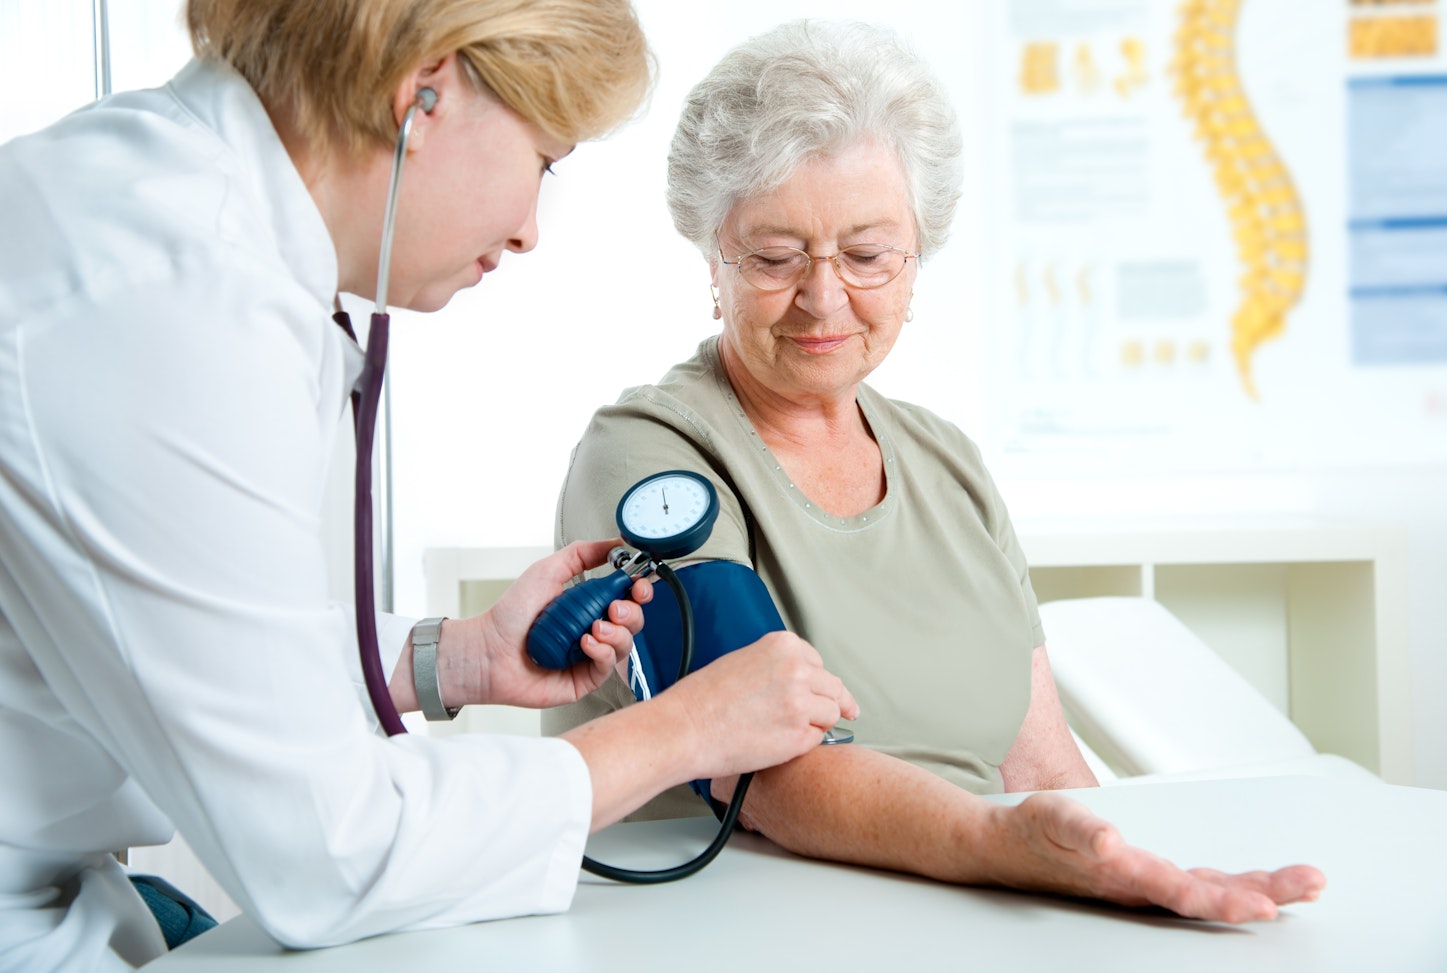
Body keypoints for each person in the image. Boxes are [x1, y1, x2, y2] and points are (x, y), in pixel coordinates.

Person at [0, 2, 858, 969]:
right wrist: (682, 732)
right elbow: (330, 854)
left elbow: (181, 635)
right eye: (545, 159)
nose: (532, 230)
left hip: (94, 896)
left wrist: (452, 659)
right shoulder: (167, 302)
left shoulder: (163, 209)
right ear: (426, 90)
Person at [548, 19, 1326, 924]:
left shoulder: (946, 463)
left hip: (984, 916)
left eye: (869, 254)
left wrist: (1139, 882)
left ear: (918, 258)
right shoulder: (649, 455)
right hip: (741, 930)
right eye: (774, 256)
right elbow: (754, 763)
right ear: (711, 257)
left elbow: (1039, 767)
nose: (823, 296)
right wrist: (997, 848)